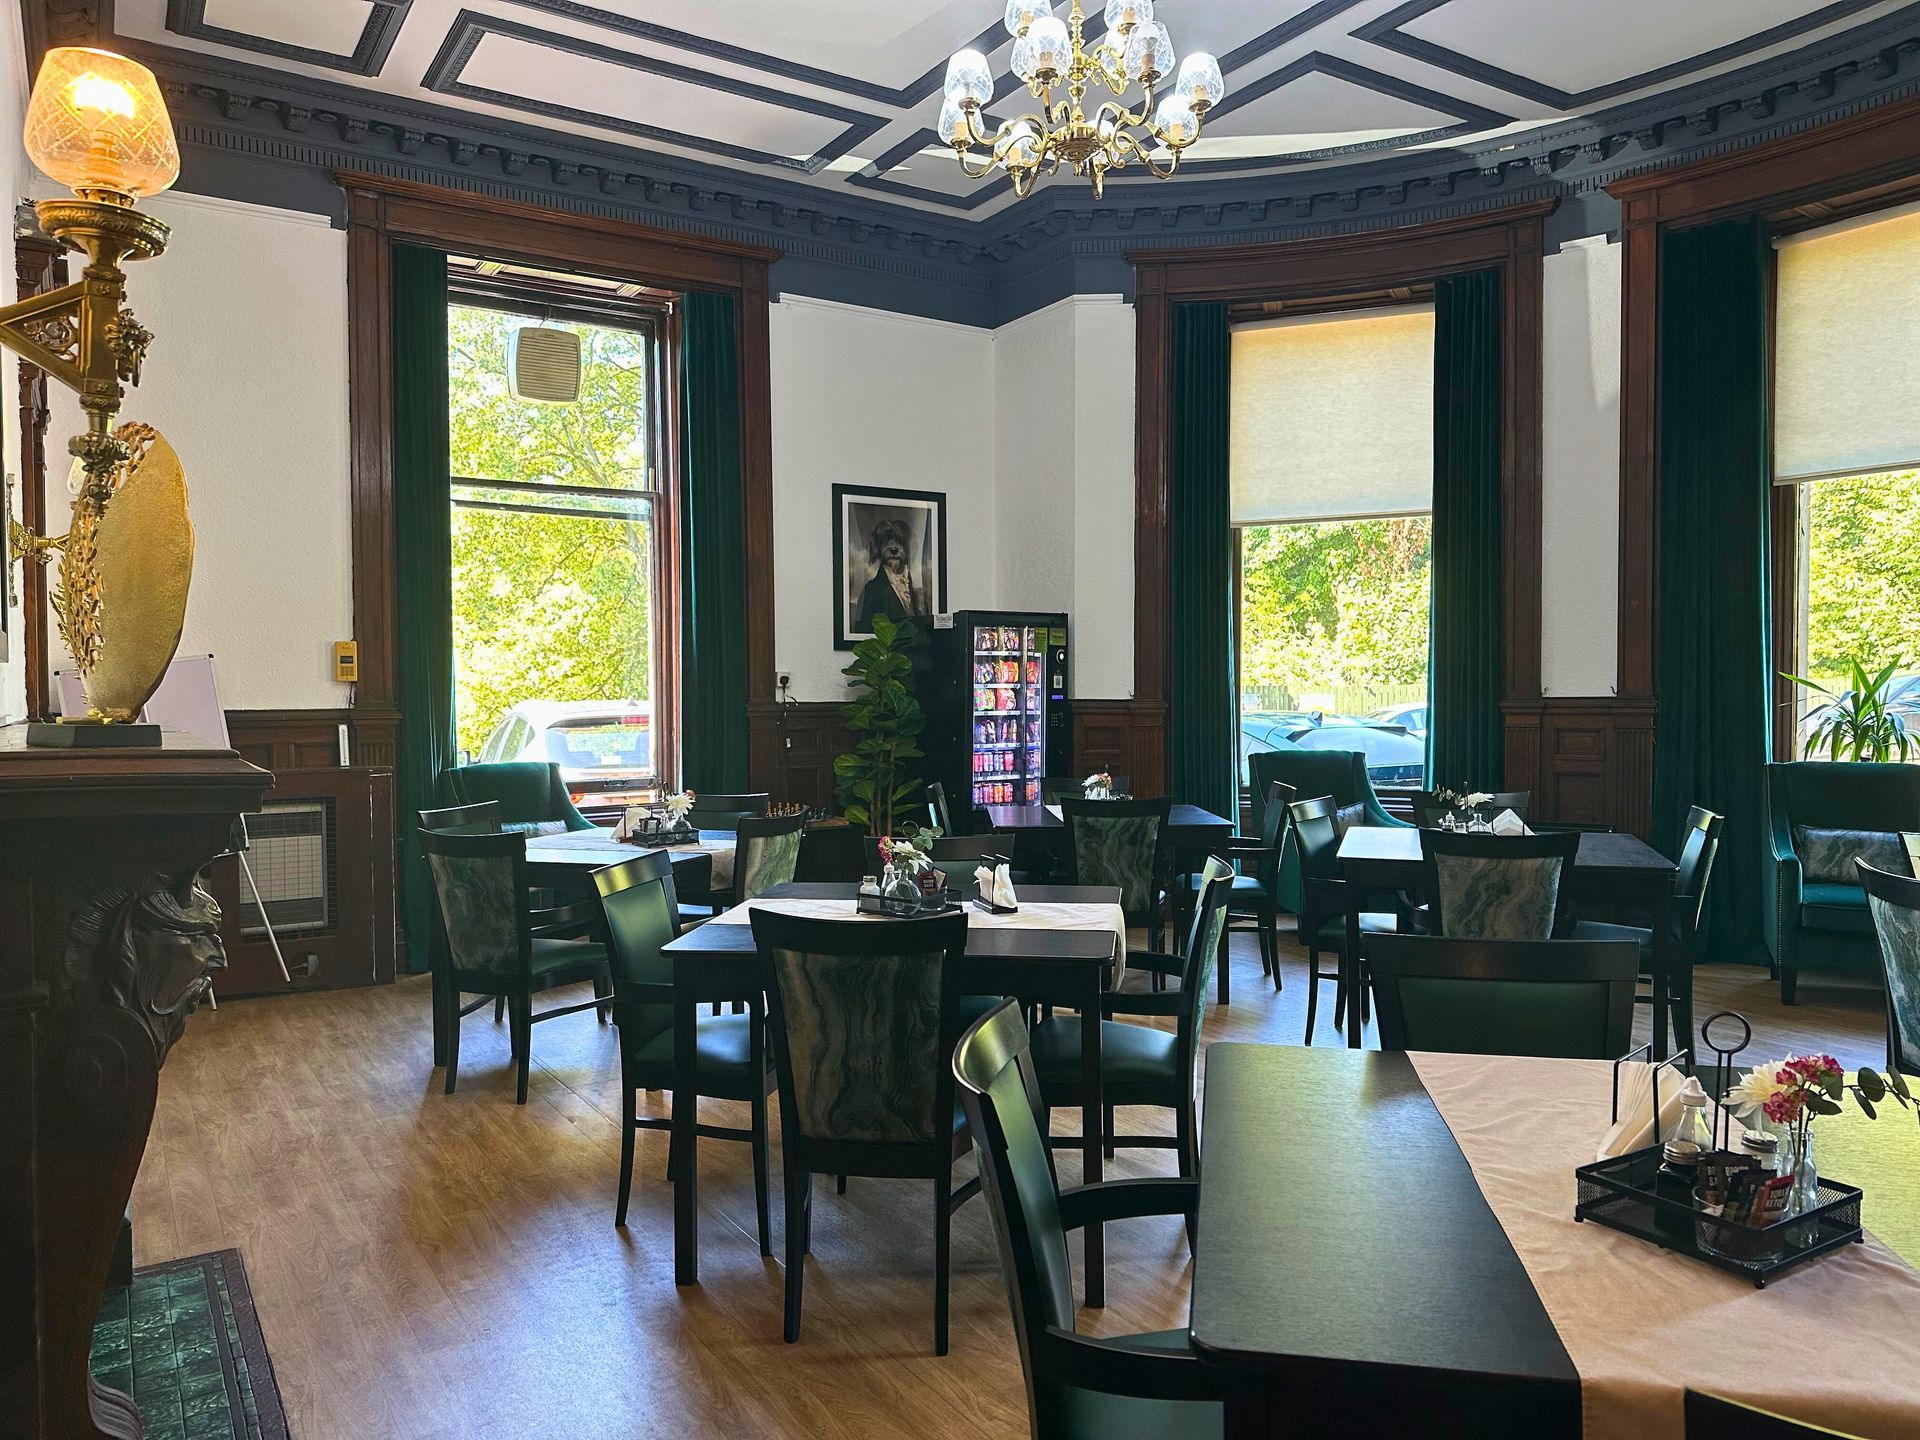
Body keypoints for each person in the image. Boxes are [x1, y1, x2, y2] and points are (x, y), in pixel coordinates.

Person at [854, 516, 924, 633]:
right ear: (878, 548)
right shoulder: (871, 590)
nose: (893, 547)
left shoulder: (915, 590)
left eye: (899, 542)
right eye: (887, 542)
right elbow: (863, 632)